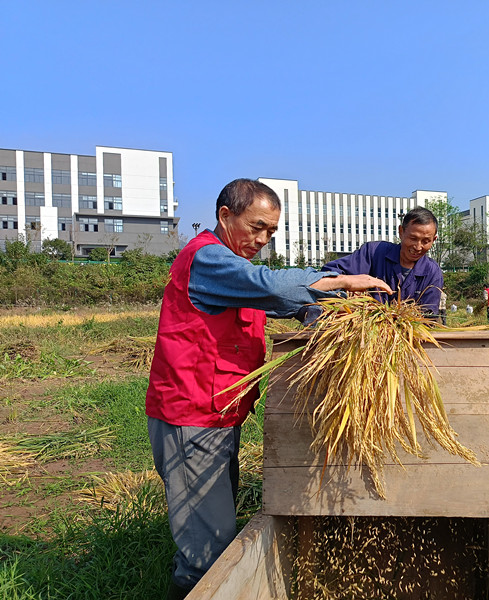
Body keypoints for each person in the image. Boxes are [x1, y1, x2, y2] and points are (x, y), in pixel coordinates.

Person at [146, 178, 392, 600]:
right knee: (207, 550)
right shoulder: (207, 259)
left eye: (271, 233)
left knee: (208, 523)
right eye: (256, 227)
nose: (262, 239)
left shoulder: (230, 271)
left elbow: (287, 303)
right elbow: (272, 286)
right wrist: (341, 282)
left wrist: (337, 320)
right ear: (225, 216)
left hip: (219, 413)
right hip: (191, 417)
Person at [302, 207, 442, 321]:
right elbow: (329, 273)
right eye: (413, 238)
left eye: (425, 241)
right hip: (361, 335)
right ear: (401, 232)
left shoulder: (433, 272)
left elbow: (428, 317)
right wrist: (348, 291)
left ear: (434, 239)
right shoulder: (373, 252)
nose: (418, 247)